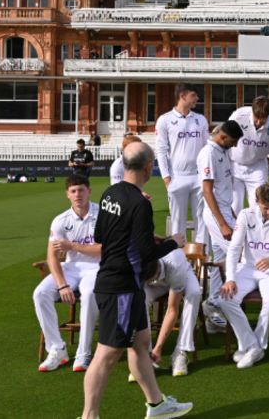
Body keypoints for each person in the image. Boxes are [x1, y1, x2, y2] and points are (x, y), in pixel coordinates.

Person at [81, 142, 192, 419]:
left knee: (141, 343)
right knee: (106, 355)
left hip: (122, 284)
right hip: (121, 288)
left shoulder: (110, 193)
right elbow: (146, 255)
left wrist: (141, 237)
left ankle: (157, 404)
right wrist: (173, 243)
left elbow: (101, 236)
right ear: (148, 166)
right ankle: (88, 415)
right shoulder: (139, 202)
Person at [212, 183, 269, 369]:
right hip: (246, 268)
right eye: (265, 208)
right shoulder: (246, 215)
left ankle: (254, 346)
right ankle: (252, 346)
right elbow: (234, 249)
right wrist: (230, 278)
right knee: (225, 300)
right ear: (257, 202)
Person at [33, 174, 101, 372]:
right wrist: (62, 284)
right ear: (67, 195)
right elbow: (52, 257)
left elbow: (106, 249)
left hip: (98, 267)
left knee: (89, 294)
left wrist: (72, 245)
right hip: (71, 268)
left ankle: (84, 352)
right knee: (40, 293)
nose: (77, 194)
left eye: (81, 190)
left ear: (89, 191)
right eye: (73, 191)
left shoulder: (103, 214)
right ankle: (57, 348)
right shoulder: (60, 221)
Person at [195, 120, 244, 332]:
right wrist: (223, 223)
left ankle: (213, 308)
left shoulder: (222, 152)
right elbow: (207, 192)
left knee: (220, 260)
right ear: (222, 137)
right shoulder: (208, 153)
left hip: (225, 210)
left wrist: (232, 213)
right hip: (216, 214)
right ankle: (216, 304)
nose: (234, 146)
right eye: (232, 142)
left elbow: (223, 190)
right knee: (239, 254)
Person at [156, 84, 210, 246]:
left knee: (202, 219)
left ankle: (202, 262)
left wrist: (206, 175)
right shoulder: (165, 120)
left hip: (198, 177)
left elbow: (207, 149)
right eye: (194, 95)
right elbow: (161, 151)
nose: (197, 99)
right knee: (177, 222)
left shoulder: (200, 120)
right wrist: (166, 178)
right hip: (177, 177)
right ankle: (178, 261)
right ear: (183, 96)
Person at [141, 243, 202, 377]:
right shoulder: (139, 259)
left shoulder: (176, 265)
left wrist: (159, 347)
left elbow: (172, 310)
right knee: (139, 300)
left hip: (179, 275)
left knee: (194, 293)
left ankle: (180, 352)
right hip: (156, 279)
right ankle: (145, 355)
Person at [228, 96, 269, 214]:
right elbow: (223, 138)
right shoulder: (238, 116)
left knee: (259, 208)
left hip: (257, 166)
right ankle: (235, 232)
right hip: (234, 164)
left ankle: (256, 232)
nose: (259, 122)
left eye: (263, 119)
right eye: (256, 118)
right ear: (252, 111)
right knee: (234, 206)